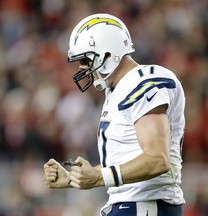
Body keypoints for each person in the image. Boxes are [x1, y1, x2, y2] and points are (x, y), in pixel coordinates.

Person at [43, 13, 185, 216]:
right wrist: (75, 178)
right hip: (132, 206)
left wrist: (99, 177)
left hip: (145, 207)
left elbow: (157, 159)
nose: (82, 68)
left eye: (85, 59)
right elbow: (127, 157)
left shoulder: (143, 82)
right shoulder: (119, 89)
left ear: (107, 54)